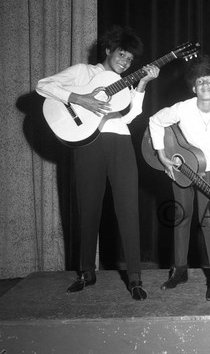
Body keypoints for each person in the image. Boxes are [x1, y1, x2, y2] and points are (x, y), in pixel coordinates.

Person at [37, 25, 160, 300]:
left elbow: (128, 118)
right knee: (88, 207)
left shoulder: (123, 84)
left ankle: (135, 278)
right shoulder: (83, 72)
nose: (125, 62)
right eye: (122, 54)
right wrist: (81, 99)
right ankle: (85, 272)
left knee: (128, 208)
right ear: (108, 50)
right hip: (88, 144)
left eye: (130, 60)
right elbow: (43, 85)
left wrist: (140, 86)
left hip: (120, 143)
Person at [148, 55, 210, 301]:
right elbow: (154, 121)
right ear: (193, 87)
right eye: (200, 82)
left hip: (208, 172)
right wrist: (162, 156)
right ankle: (179, 270)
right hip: (181, 169)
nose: (205, 86)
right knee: (180, 217)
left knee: (209, 222)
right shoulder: (182, 108)